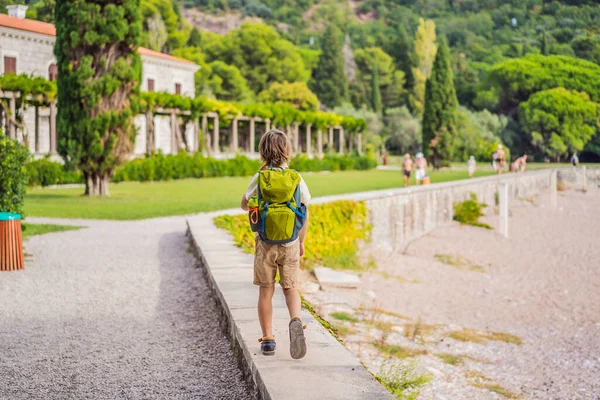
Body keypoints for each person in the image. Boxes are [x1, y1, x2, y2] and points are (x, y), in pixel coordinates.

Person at [240, 129, 311, 360]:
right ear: (287, 151)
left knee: (266, 290)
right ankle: (296, 320)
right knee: (290, 288)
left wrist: (259, 179)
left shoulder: (260, 177)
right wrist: (301, 241)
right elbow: (305, 210)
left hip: (265, 243)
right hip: (290, 241)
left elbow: (243, 205)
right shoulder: (296, 178)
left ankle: (268, 338)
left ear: (262, 152)